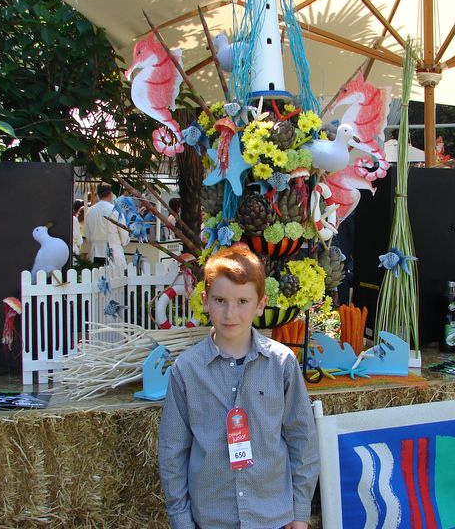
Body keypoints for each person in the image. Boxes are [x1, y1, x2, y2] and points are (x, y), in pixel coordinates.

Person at [158, 244, 319, 529]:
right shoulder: (187, 370)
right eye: (220, 300)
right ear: (206, 301)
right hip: (211, 518)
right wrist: (181, 519)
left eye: (242, 302)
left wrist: (300, 512)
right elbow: (172, 451)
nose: (230, 313)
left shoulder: (281, 364)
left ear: (260, 304)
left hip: (273, 516)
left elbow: (302, 439)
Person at [84, 183, 130, 270]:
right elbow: (124, 232)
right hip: (113, 249)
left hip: (96, 250)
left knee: (97, 278)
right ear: (111, 194)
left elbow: (88, 235)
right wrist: (123, 242)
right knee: (116, 279)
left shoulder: (90, 211)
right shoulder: (116, 210)